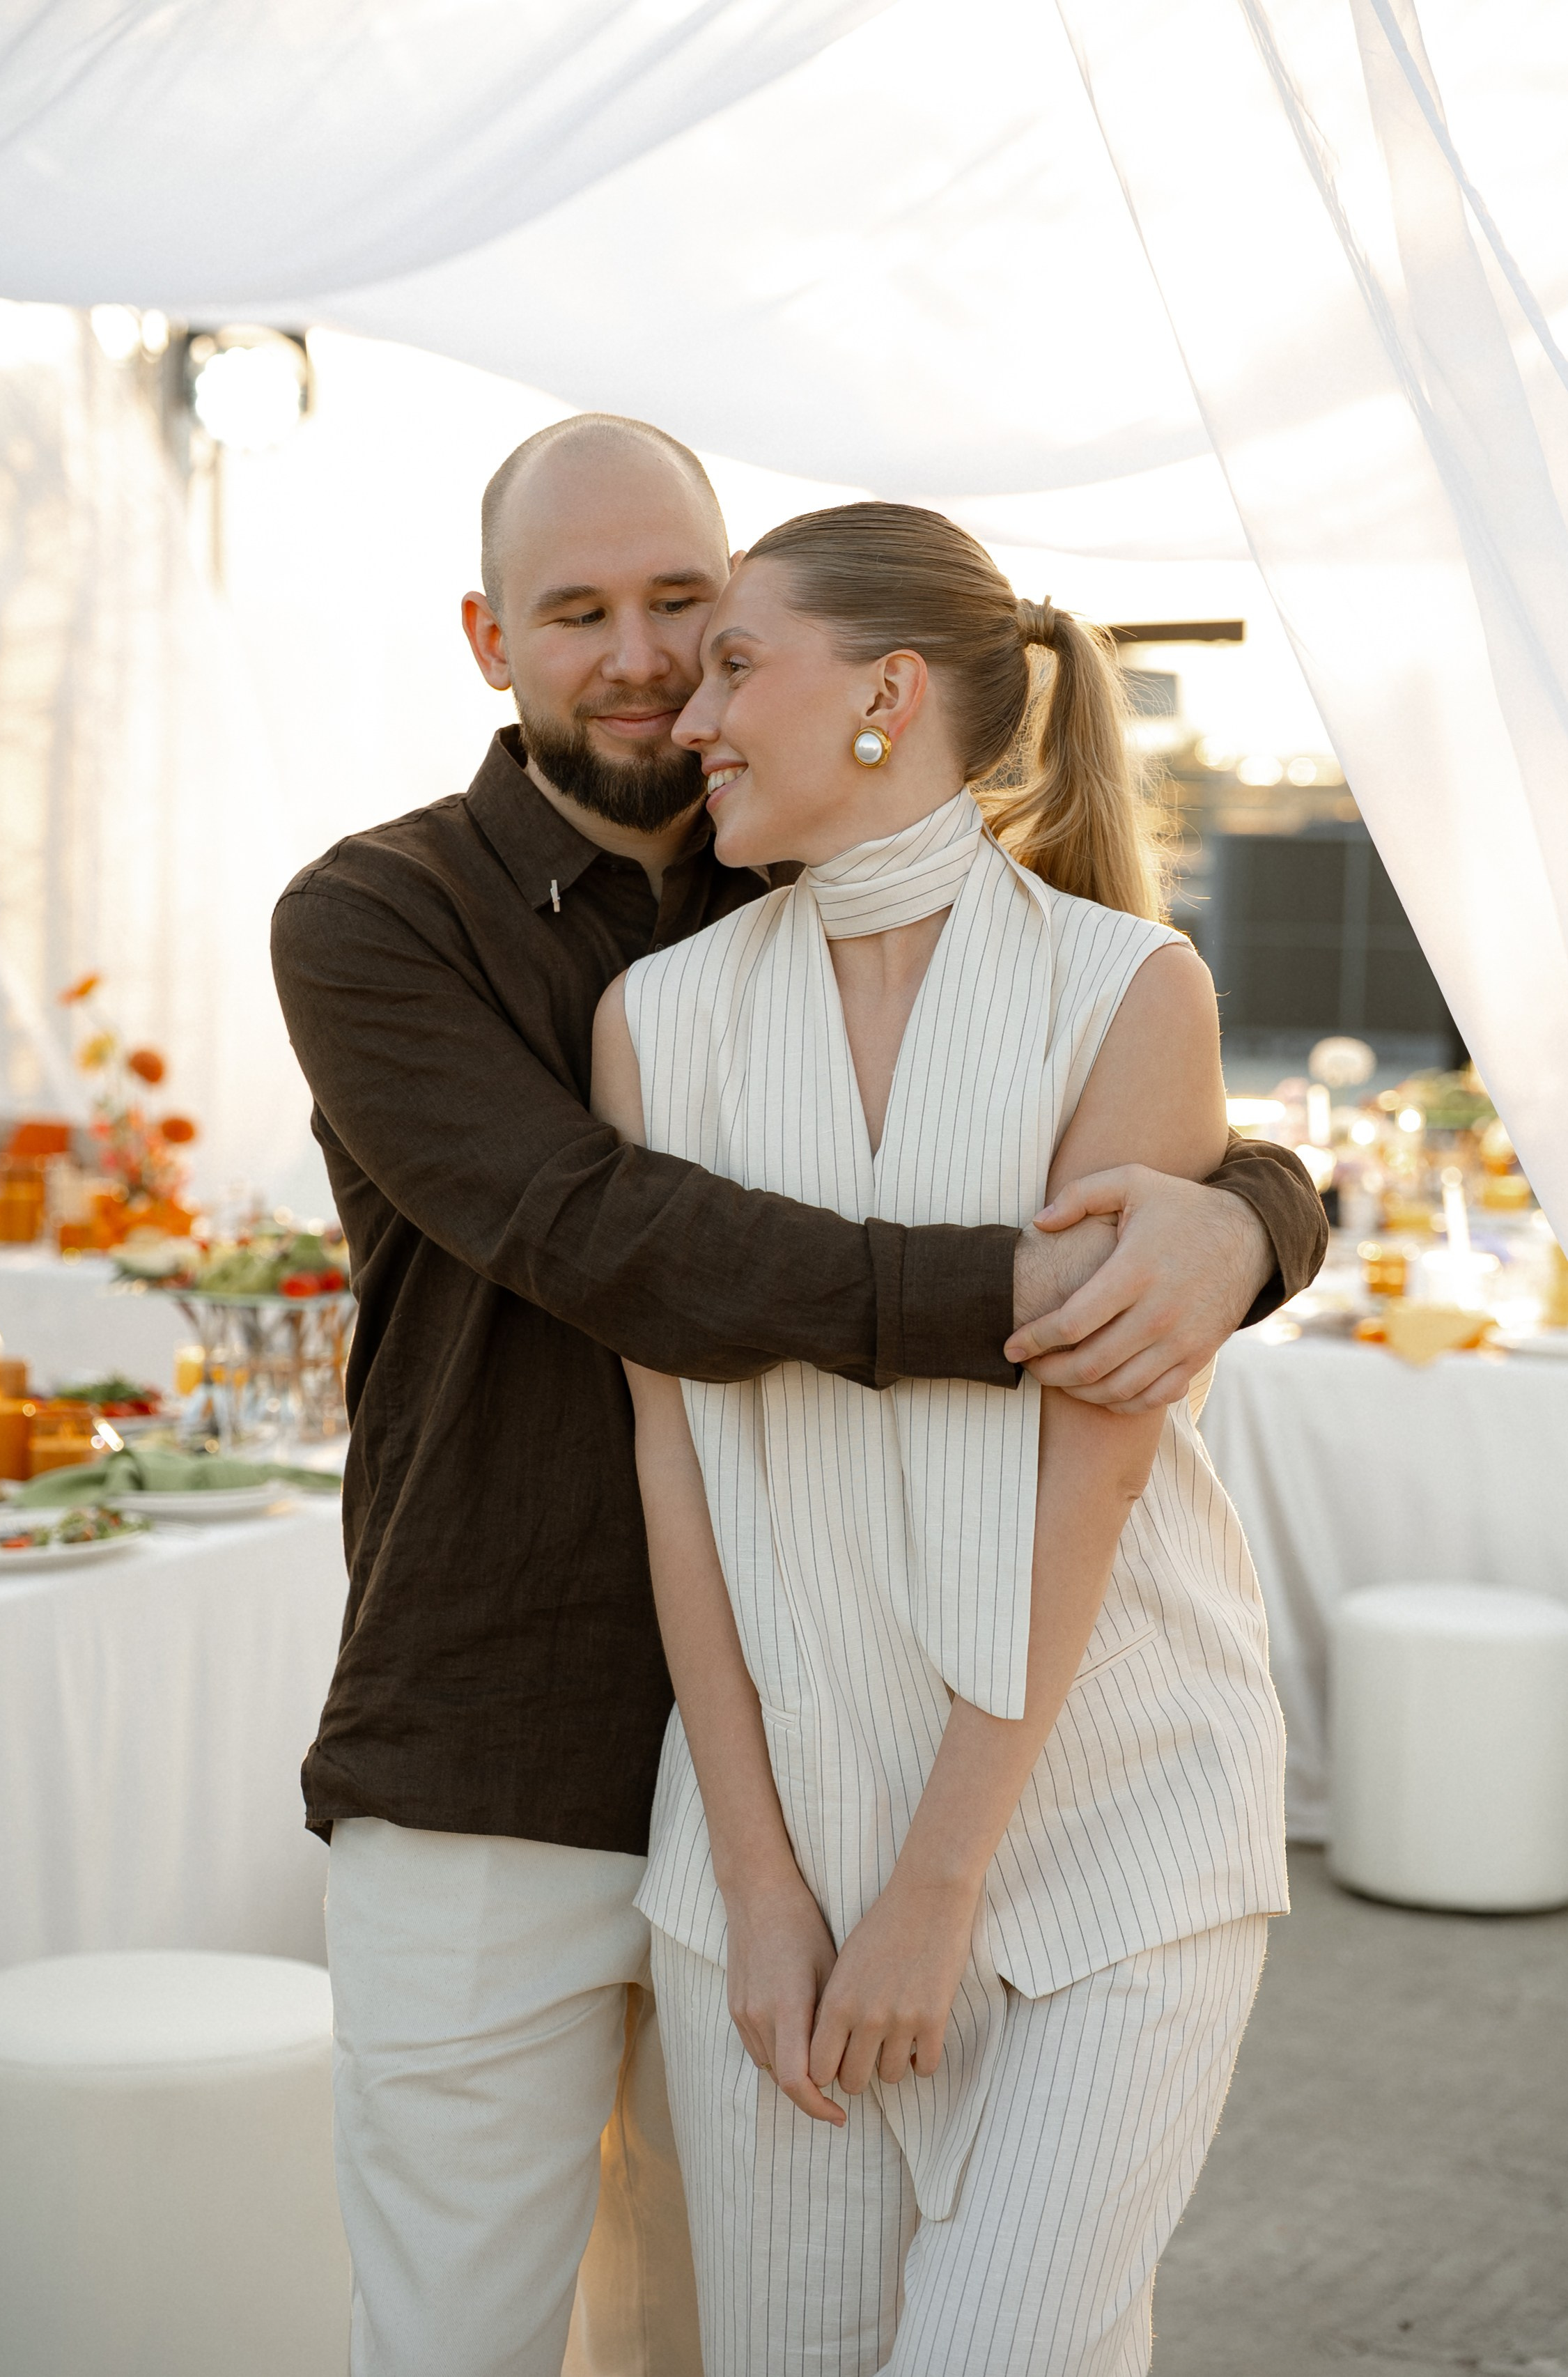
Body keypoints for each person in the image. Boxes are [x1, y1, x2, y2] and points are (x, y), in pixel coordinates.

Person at [270, 418, 1324, 2377]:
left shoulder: (839, 885)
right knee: (459, 2343)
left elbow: (1112, 1082)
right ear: (492, 638)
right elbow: (616, 1242)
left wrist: (1254, 1215)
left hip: (840, 1766)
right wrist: (1049, 1284)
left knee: (721, 2343)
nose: (654, 663)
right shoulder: (385, 917)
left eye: (694, 607)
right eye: (582, 613)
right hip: (503, 1745)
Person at [591, 500, 1291, 2376]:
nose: (691, 715)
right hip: (770, 1876)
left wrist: (932, 1892)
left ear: (888, 693)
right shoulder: (654, 1022)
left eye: (739, 659)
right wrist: (758, 1887)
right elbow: (677, 1462)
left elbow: (1098, 1454)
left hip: (1104, 1844)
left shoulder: (1126, 991)